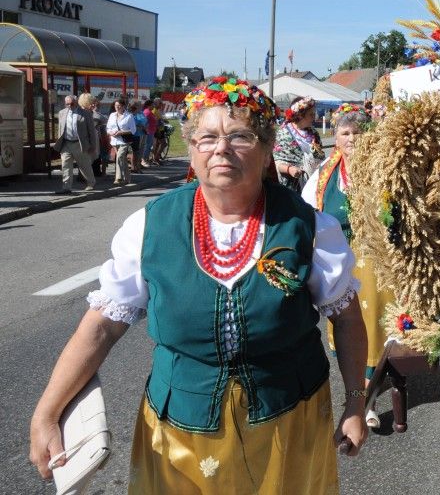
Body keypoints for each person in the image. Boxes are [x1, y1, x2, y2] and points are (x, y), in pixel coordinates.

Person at [30, 78, 368, 494]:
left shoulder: (309, 227)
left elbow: (347, 319)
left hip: (288, 424)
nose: (221, 149)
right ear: (191, 148)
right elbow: (100, 326)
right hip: (180, 433)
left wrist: (355, 401)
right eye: (207, 137)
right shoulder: (150, 226)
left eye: (240, 136)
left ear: (266, 152)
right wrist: (47, 413)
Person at [303, 103, 392, 429]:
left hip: (376, 257)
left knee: (374, 323)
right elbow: (307, 212)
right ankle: (359, 394)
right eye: (345, 133)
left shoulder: (382, 168)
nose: (352, 138)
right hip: (339, 257)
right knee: (347, 327)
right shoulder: (324, 176)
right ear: (335, 138)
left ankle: (368, 396)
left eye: (357, 132)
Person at [273, 95, 324, 191]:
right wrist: (289, 169)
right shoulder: (283, 134)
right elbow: (276, 162)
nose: (315, 117)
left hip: (313, 183)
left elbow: (320, 156)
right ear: (300, 115)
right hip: (291, 187)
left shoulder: (314, 133)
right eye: (311, 114)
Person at [53, 94, 96, 194]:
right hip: (66, 143)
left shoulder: (85, 113)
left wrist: (92, 145)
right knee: (65, 165)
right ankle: (66, 187)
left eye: (71, 104)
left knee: (84, 165)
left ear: (76, 103)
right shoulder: (62, 113)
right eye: (67, 104)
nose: (69, 106)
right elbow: (60, 128)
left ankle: (90, 183)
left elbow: (91, 131)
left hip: (79, 143)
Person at [106, 98, 136, 186]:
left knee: (119, 157)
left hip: (124, 141)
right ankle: (127, 179)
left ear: (123, 106)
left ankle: (118, 178)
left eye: (119, 106)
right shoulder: (112, 115)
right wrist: (110, 132)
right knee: (122, 159)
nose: (117, 107)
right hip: (114, 140)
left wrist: (121, 132)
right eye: (116, 106)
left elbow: (133, 130)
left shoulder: (129, 116)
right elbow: (108, 128)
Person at [79, 93, 107, 178]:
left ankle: (89, 176)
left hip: (93, 138)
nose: (94, 104)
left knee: (92, 157)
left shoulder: (90, 112)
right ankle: (84, 176)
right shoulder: (84, 113)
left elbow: (104, 120)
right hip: (86, 139)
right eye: (92, 102)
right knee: (86, 158)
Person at [140, 99, 158, 167]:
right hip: (148, 132)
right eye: (153, 104)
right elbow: (144, 122)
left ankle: (145, 159)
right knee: (147, 146)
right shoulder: (147, 112)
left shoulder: (150, 111)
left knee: (149, 146)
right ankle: (143, 160)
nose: (154, 106)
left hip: (151, 131)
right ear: (149, 105)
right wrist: (146, 129)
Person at [129, 101, 145, 175]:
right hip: (134, 135)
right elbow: (134, 125)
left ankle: (135, 167)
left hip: (137, 134)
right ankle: (135, 167)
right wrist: (140, 126)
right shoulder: (132, 115)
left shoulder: (137, 114)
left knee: (135, 152)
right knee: (135, 152)